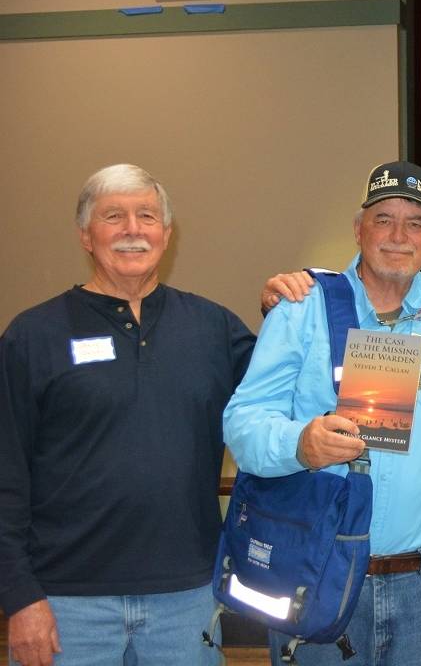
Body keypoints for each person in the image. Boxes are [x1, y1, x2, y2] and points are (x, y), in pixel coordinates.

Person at [223, 160, 421, 666]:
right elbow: (242, 423)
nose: (398, 235)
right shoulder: (302, 306)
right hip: (317, 571)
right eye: (383, 219)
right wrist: (300, 444)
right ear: (358, 228)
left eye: (415, 223)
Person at [0, 164, 255, 666]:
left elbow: (286, 401)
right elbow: (5, 476)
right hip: (65, 604)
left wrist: (295, 302)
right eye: (113, 216)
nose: (133, 230)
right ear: (85, 236)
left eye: (146, 216)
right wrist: (19, 597)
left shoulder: (215, 329)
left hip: (188, 599)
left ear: (166, 233)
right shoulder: (31, 337)